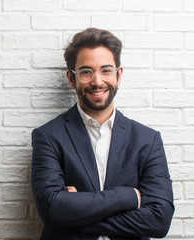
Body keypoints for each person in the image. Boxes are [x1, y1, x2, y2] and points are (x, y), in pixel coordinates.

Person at [31, 28, 174, 240]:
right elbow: (52, 210)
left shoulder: (147, 140)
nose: (97, 81)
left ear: (119, 75)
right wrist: (129, 196)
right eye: (86, 72)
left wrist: (77, 216)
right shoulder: (48, 137)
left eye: (106, 70)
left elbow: (159, 220)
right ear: (72, 78)